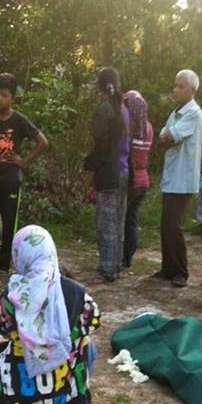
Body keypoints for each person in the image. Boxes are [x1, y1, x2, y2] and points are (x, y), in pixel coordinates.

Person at [0, 225, 101, 404]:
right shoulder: (77, 292)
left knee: (10, 349)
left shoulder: (10, 294)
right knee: (87, 346)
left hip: (21, 384)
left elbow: (7, 328)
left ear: (18, 255)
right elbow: (93, 322)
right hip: (59, 382)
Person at [0, 73, 47, 277]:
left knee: (9, 225)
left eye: (4, 95)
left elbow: (42, 142)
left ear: (12, 99)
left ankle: (3, 264)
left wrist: (23, 160)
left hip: (10, 180)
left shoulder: (19, 121)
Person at [154, 69, 202, 287]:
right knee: (166, 224)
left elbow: (169, 136)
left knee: (174, 225)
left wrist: (167, 138)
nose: (175, 90)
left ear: (192, 90)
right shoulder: (176, 112)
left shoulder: (193, 112)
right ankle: (168, 268)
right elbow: (162, 136)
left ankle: (181, 271)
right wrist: (167, 138)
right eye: (175, 85)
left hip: (183, 179)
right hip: (172, 177)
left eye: (181, 86)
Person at [84, 67, 130, 283]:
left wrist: (89, 163)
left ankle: (107, 268)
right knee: (118, 221)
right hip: (123, 170)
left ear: (100, 87)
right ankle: (116, 263)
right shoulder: (124, 109)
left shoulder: (104, 110)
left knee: (106, 222)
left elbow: (101, 145)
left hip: (108, 174)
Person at [122, 89, 153, 267]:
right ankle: (128, 258)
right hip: (143, 180)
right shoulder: (148, 127)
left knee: (121, 220)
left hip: (130, 179)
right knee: (131, 220)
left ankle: (119, 258)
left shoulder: (128, 127)